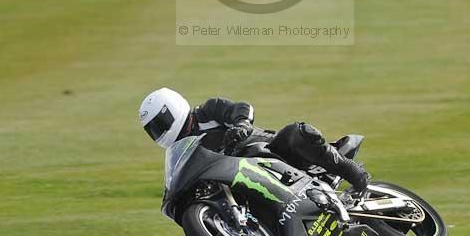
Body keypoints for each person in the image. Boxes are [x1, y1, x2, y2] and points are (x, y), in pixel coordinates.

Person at [139, 87, 368, 193]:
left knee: (295, 133)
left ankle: (350, 170)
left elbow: (242, 107)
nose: (159, 132)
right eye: (153, 130)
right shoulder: (182, 153)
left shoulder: (208, 111)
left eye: (160, 124)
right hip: (243, 181)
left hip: (267, 152)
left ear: (174, 108)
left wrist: (241, 125)